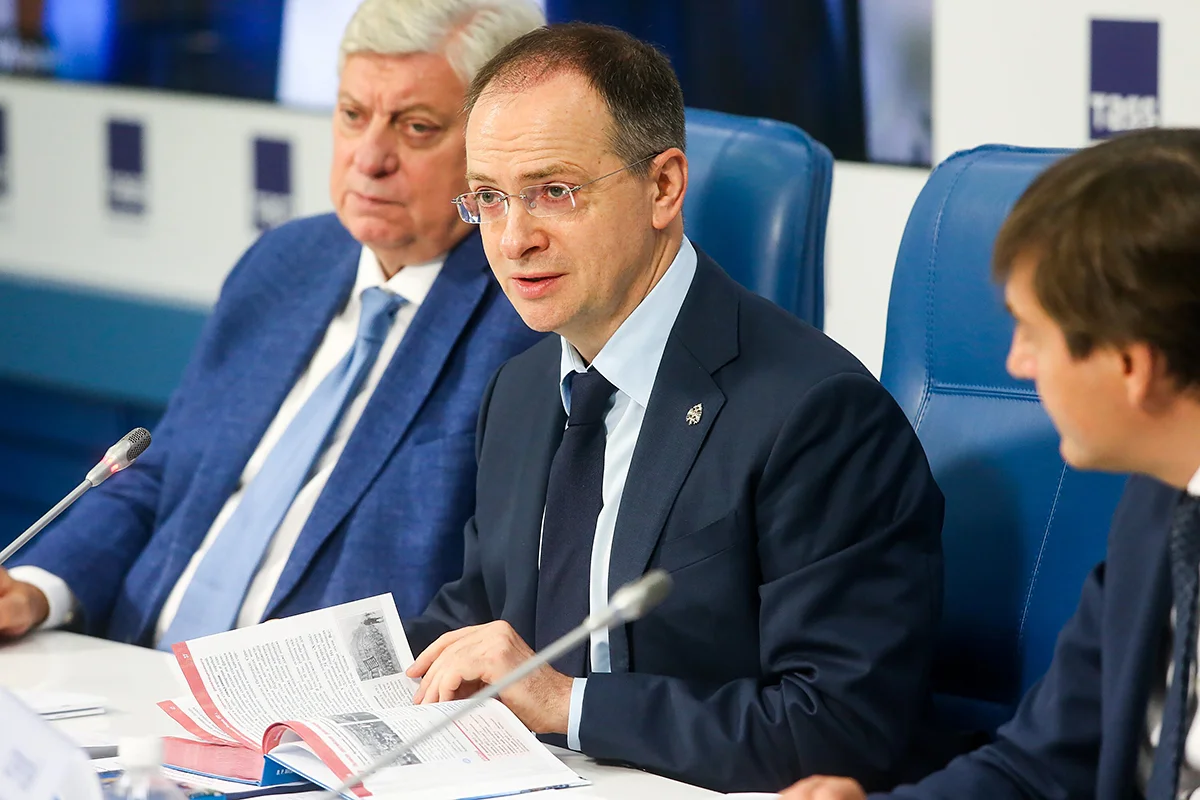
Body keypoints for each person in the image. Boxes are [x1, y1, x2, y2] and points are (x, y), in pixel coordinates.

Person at [400, 23, 946, 794]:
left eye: (554, 191)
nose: (514, 239)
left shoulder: (817, 415)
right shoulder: (520, 390)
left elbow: (836, 725)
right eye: (489, 198)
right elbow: (478, 618)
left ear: (663, 187)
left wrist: (569, 705)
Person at [0, 0, 545, 648]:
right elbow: (163, 477)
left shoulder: (527, 323)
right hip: (133, 672)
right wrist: (38, 589)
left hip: (314, 698)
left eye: (417, 127)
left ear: (497, 144)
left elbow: (483, 593)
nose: (369, 157)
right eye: (353, 115)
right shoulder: (287, 262)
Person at [781, 128, 1200, 800]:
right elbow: (1039, 768)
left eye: (1032, 332)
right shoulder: (1160, 507)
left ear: (1132, 366)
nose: (1016, 364)